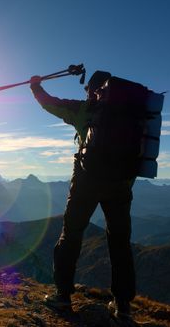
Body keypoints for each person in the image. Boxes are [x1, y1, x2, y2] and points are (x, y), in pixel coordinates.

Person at [29, 71, 136, 319]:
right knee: (120, 242)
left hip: (87, 180)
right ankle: (122, 305)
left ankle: (62, 297)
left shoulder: (84, 109)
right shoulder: (132, 114)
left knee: (72, 234)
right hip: (121, 184)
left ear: (92, 90)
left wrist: (35, 86)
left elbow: (50, 103)